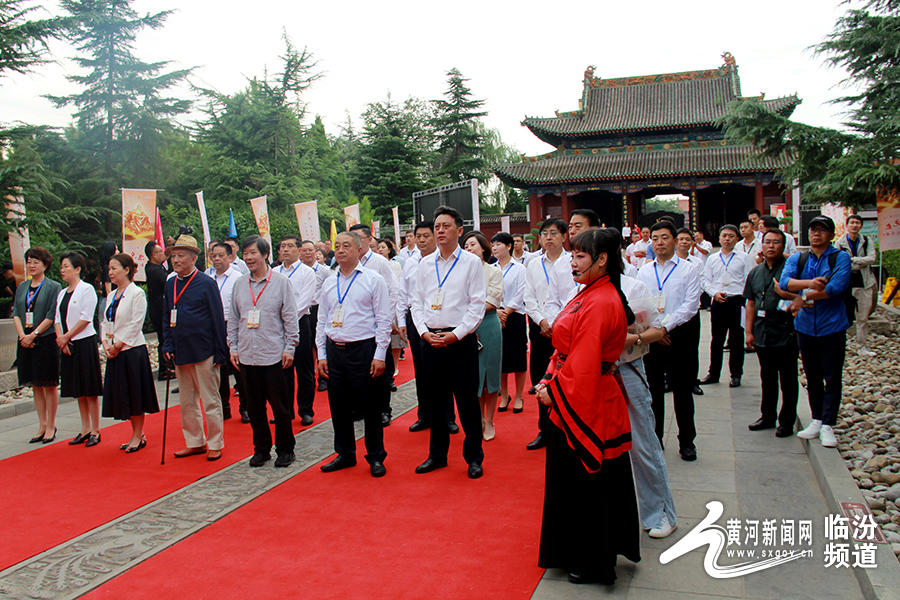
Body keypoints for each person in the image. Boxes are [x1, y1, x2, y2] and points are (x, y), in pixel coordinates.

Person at [535, 228, 640, 585]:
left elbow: (585, 358)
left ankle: (592, 559)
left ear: (602, 259)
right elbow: (569, 352)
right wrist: (551, 377)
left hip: (589, 398)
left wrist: (556, 391)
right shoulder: (591, 293)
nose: (573, 261)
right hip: (577, 388)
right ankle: (573, 551)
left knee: (588, 484)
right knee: (575, 482)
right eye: (573, 254)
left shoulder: (600, 300)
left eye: (580, 255)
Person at [411, 205, 486, 478]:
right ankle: (437, 455)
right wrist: (422, 332)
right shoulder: (424, 264)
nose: (440, 231)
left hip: (459, 340)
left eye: (446, 226)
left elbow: (477, 305)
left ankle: (473, 457)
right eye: (437, 227)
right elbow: (416, 303)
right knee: (436, 401)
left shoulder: (470, 262)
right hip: (430, 339)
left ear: (460, 230)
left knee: (466, 401)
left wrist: (457, 334)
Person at [316, 232, 393, 477]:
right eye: (337, 246)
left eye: (346, 246)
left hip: (364, 350)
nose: (340, 250)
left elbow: (383, 319)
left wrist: (380, 353)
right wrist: (321, 354)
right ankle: (345, 453)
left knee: (370, 406)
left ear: (359, 249)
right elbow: (322, 321)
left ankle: (375, 456)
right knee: (338, 406)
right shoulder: (329, 282)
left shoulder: (373, 279)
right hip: (335, 350)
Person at [618, 258, 678, 539]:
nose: (575, 260)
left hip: (627, 370)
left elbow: (657, 328)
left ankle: (661, 513)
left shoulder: (632, 286)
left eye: (582, 254)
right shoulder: (576, 287)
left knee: (642, 444)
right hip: (589, 374)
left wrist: (634, 339)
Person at [780, 215, 852, 448]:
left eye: (822, 230)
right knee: (812, 376)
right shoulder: (798, 258)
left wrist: (802, 295)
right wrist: (810, 286)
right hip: (805, 327)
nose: (816, 233)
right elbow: (784, 283)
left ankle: (829, 423)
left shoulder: (840, 257)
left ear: (831, 235)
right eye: (813, 229)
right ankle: (817, 419)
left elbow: (835, 288)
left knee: (831, 376)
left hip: (832, 325)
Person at [229, 235, 299, 467]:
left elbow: (290, 318)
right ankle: (261, 449)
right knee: (254, 407)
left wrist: (290, 348)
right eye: (245, 253)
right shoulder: (239, 284)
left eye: (253, 253)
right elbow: (234, 319)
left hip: (274, 355)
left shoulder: (280, 282)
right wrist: (234, 347)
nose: (248, 257)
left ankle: (285, 449)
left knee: (280, 407)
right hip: (247, 356)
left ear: (265, 255)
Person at [636, 221, 702, 461]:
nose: (659, 243)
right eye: (654, 238)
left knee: (683, 390)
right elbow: (641, 304)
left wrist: (665, 327)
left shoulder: (689, 269)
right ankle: (655, 441)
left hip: (680, 335)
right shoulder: (643, 271)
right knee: (653, 391)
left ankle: (687, 442)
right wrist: (655, 330)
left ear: (675, 240)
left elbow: (691, 305)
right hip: (653, 338)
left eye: (664, 238)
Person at [163, 235, 229, 461]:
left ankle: (215, 442)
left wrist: (221, 351)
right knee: (187, 401)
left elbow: (217, 319)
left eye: (181, 256)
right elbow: (166, 316)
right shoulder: (171, 282)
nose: (176, 260)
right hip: (181, 349)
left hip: (204, 349)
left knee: (210, 399)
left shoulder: (206, 282)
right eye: (173, 256)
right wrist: (168, 343)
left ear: (194, 258)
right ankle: (194, 441)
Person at [101, 253, 159, 452]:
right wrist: (106, 343)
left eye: (114, 268)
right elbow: (105, 322)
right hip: (114, 349)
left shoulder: (136, 293)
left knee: (135, 393)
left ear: (127, 270)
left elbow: (136, 324)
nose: (111, 272)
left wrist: (118, 345)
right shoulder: (111, 295)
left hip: (131, 350)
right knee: (123, 394)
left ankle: (138, 434)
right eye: (109, 269)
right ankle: (135, 433)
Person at [744, 229, 799, 437]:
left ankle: (786, 421)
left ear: (783, 246)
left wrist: (784, 293)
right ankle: (767, 416)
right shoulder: (756, 272)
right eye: (767, 242)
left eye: (776, 242)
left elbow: (803, 297)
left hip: (786, 331)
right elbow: (750, 303)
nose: (771, 246)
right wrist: (748, 332)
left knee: (788, 380)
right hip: (762, 332)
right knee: (767, 378)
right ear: (762, 245)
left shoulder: (791, 270)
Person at [523, 218, 569, 450]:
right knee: (542, 381)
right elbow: (528, 297)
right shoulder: (532, 264)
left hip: (568, 331)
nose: (548, 237)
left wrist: (558, 324)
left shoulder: (573, 261)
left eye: (553, 233)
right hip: (541, 330)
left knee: (566, 381)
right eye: (544, 233)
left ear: (564, 236)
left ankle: (567, 430)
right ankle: (544, 430)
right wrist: (542, 321)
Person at [350, 224, 399, 425]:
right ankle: (361, 407)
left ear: (370, 240)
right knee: (359, 370)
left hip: (377, 326)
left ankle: (384, 409)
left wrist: (386, 322)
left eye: (358, 238)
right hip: (356, 328)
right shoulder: (348, 263)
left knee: (381, 370)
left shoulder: (379, 262)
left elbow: (393, 291)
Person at [13, 247, 62, 444]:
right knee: (35, 384)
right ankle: (41, 424)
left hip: (45, 340)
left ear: (45, 265)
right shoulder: (23, 287)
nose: (31, 265)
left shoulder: (53, 286)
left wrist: (33, 335)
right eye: (29, 261)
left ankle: (51, 424)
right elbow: (17, 312)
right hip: (26, 340)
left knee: (48, 383)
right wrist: (22, 336)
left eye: (36, 261)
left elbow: (51, 315)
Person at [55, 252, 103, 446]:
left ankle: (96, 430)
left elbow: (86, 317)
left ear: (77, 269)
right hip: (67, 344)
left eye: (66, 266)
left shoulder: (87, 289)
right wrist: (61, 339)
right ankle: (84, 428)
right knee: (78, 389)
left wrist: (67, 337)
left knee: (89, 388)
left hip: (83, 342)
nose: (62, 270)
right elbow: (57, 318)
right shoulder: (61, 292)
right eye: (61, 267)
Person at [699, 225, 752, 388]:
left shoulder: (744, 258)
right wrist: (714, 293)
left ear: (737, 239)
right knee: (717, 340)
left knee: (737, 340)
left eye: (731, 236)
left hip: (737, 302)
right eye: (724, 236)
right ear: (719, 238)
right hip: (719, 302)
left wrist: (743, 297)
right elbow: (705, 280)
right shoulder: (713, 259)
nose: (727, 239)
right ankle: (713, 373)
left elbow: (749, 280)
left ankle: (736, 374)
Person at [463, 231, 504, 441]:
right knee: (473, 377)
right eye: (466, 245)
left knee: (490, 375)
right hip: (466, 328)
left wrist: (470, 312)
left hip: (487, 325)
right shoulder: (461, 272)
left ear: (483, 248)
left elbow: (493, 300)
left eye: (472, 244)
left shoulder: (493, 271)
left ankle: (490, 420)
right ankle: (477, 418)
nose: (469, 248)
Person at [275, 235, 317, 426]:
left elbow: (305, 301)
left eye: (290, 246)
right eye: (283, 246)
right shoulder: (273, 272)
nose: (285, 249)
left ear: (299, 250)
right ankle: (285, 410)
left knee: (304, 368)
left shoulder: (306, 272)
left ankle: (306, 410)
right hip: (277, 326)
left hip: (300, 323)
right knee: (282, 371)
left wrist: (287, 318)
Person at [544, 209, 601, 327]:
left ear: (595, 229)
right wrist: (560, 325)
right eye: (570, 227)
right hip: (566, 329)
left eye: (578, 226)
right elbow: (552, 302)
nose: (572, 231)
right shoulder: (560, 265)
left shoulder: (610, 264)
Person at [491, 232, 528, 413]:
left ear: (509, 246)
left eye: (498, 244)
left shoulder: (520, 268)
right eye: (493, 245)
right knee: (501, 359)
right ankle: (504, 394)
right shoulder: (492, 268)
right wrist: (497, 311)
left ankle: (519, 395)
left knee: (518, 358)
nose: (495, 248)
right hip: (496, 315)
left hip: (515, 317)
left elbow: (522, 293)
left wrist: (507, 311)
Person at [209, 242, 246, 422]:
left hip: (234, 325)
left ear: (230, 257)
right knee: (219, 367)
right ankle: (224, 406)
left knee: (239, 366)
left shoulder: (238, 278)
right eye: (213, 255)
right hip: (213, 327)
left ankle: (245, 407)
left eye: (220, 255)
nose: (216, 259)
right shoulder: (207, 277)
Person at [836, 214, 878, 356]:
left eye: (857, 223)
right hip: (846, 284)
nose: (854, 225)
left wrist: (853, 259)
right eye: (852, 222)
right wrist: (858, 263)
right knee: (843, 316)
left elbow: (872, 258)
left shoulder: (867, 241)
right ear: (847, 225)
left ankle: (862, 346)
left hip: (864, 283)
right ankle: (841, 345)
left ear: (861, 226)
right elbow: (838, 262)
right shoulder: (840, 243)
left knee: (863, 317)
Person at [300, 240, 334, 392]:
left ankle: (324, 378)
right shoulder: (298, 271)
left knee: (320, 342)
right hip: (302, 312)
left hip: (318, 309)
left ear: (316, 252)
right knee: (306, 347)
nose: (307, 253)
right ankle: (309, 377)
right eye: (304, 250)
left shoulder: (324, 270)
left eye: (310, 250)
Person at [378, 238, 407, 377]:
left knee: (395, 340)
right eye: (378, 247)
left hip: (392, 303)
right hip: (379, 304)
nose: (380, 249)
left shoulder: (395, 265)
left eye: (383, 247)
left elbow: (396, 286)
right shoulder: (375, 263)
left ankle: (395, 366)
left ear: (390, 249)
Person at [144, 241, 173, 381]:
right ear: (154, 255)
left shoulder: (152, 266)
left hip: (157, 308)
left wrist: (170, 249)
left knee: (164, 338)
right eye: (160, 252)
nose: (163, 254)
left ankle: (167, 368)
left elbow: (165, 256)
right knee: (164, 338)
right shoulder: (155, 271)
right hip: (160, 309)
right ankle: (165, 369)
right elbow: (170, 281)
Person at [96, 241, 118, 322]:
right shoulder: (107, 268)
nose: (118, 252)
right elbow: (108, 290)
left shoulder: (105, 266)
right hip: (107, 301)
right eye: (116, 250)